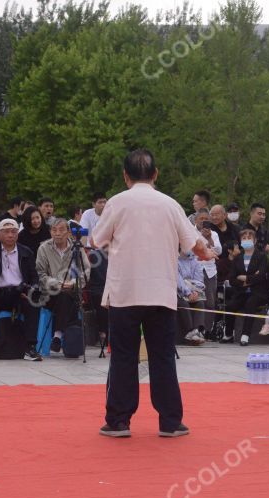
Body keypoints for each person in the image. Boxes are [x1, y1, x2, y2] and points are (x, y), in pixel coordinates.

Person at [91, 149, 215, 438]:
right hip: (161, 293)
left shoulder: (117, 203)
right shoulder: (170, 204)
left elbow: (96, 241)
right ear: (156, 174)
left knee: (123, 356)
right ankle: (170, 422)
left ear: (125, 176)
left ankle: (119, 420)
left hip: (126, 292)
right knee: (162, 356)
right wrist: (207, 253)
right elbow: (194, 243)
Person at [0, 218, 42, 362]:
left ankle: (30, 348)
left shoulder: (26, 251)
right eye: (6, 232)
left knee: (33, 305)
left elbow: (34, 277)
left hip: (19, 292)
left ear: (18, 233)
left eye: (13, 232)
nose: (10, 235)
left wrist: (31, 291)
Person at [36, 218, 91, 352]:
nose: (57, 233)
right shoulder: (44, 248)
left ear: (68, 233)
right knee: (63, 296)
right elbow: (40, 274)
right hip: (50, 292)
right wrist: (58, 283)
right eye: (54, 230)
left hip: (72, 290)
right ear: (50, 232)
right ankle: (60, 335)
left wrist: (73, 283)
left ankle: (58, 335)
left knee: (66, 296)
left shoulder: (77, 248)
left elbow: (86, 271)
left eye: (61, 230)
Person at [223, 228, 269, 346]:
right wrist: (249, 279)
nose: (246, 240)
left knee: (251, 303)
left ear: (254, 241)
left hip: (258, 292)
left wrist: (245, 278)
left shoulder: (261, 256)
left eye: (249, 238)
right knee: (230, 306)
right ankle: (228, 334)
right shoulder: (238, 258)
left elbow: (262, 275)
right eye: (244, 238)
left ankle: (245, 335)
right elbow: (232, 278)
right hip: (241, 291)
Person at [193, 209, 221, 337]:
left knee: (210, 302)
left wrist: (208, 238)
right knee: (198, 300)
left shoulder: (213, 234)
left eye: (206, 219)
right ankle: (197, 329)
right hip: (194, 270)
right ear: (195, 220)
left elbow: (218, 251)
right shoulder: (189, 232)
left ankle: (208, 330)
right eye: (201, 219)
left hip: (209, 271)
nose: (204, 221)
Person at [177, 250, 207, 345]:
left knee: (200, 303)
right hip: (178, 292)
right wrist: (188, 292)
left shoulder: (195, 262)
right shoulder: (175, 260)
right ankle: (190, 331)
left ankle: (197, 331)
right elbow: (178, 280)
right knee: (183, 303)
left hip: (193, 292)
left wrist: (195, 292)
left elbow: (199, 280)